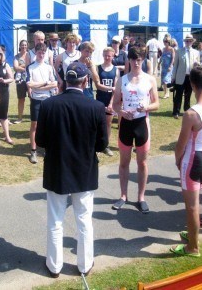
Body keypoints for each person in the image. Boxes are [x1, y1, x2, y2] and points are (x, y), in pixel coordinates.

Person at [35, 62, 108, 277]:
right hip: (84, 169)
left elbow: (40, 140)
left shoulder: (49, 104)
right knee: (84, 220)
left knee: (55, 220)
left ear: (65, 81)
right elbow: (102, 144)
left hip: (58, 168)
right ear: (85, 82)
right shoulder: (95, 107)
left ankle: (54, 266)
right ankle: (84, 265)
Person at [112, 47, 159, 213]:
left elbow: (157, 103)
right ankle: (123, 196)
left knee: (142, 162)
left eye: (140, 59)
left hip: (141, 125)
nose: (137, 62)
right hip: (126, 124)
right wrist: (121, 112)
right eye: (134, 59)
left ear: (144, 60)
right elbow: (115, 104)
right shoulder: (122, 80)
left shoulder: (150, 80)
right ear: (129, 60)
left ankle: (141, 197)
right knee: (124, 162)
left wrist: (147, 106)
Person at [171, 65, 202, 258]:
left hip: (193, 160)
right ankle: (193, 235)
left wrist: (178, 161)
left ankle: (193, 247)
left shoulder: (191, 113)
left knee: (192, 205)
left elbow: (180, 145)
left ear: (191, 84)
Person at [26, 43, 57, 164]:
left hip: (48, 99)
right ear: (36, 53)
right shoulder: (30, 67)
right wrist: (45, 83)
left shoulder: (49, 67)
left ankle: (46, 148)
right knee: (35, 124)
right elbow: (29, 84)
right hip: (36, 100)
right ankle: (33, 150)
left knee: (48, 125)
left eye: (43, 52)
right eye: (39, 52)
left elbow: (55, 83)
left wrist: (39, 85)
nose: (41, 54)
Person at [95, 47, 120, 156]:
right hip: (100, 99)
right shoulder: (98, 68)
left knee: (108, 123)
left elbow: (116, 87)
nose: (107, 57)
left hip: (110, 99)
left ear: (113, 56)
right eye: (105, 55)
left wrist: (111, 103)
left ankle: (106, 145)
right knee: (98, 123)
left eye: (109, 55)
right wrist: (110, 88)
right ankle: (98, 144)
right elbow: (97, 85)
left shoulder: (116, 70)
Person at [172, 34, 200, 119]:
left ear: (192, 42)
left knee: (188, 95)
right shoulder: (179, 51)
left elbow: (198, 67)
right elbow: (175, 65)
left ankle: (186, 111)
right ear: (185, 42)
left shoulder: (196, 52)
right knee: (178, 95)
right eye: (187, 41)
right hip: (180, 76)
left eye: (190, 41)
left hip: (191, 77)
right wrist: (173, 77)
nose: (188, 42)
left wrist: (197, 64)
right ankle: (176, 112)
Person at [13, 39, 28, 124]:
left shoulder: (29, 55)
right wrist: (25, 66)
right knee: (21, 99)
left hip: (29, 79)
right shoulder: (16, 56)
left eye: (25, 45)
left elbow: (30, 65)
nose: (24, 46)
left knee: (32, 98)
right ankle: (19, 118)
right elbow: (15, 68)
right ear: (19, 46)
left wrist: (20, 66)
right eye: (22, 45)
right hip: (20, 80)